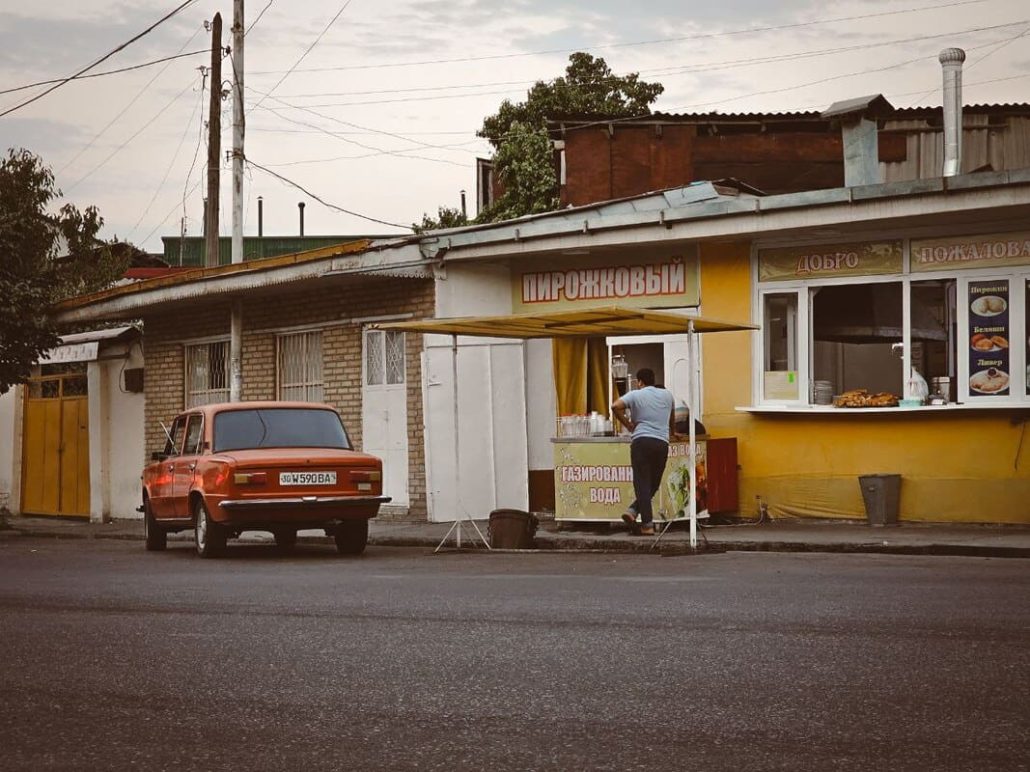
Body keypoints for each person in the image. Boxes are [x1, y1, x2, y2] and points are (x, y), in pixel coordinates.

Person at [611, 368, 676, 536]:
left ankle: (647, 524)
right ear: (654, 380)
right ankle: (633, 511)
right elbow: (671, 417)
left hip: (641, 441)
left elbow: (615, 406)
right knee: (653, 484)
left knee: (642, 484)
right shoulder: (668, 395)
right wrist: (673, 433)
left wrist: (628, 425)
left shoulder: (635, 395)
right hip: (661, 443)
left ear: (640, 381)